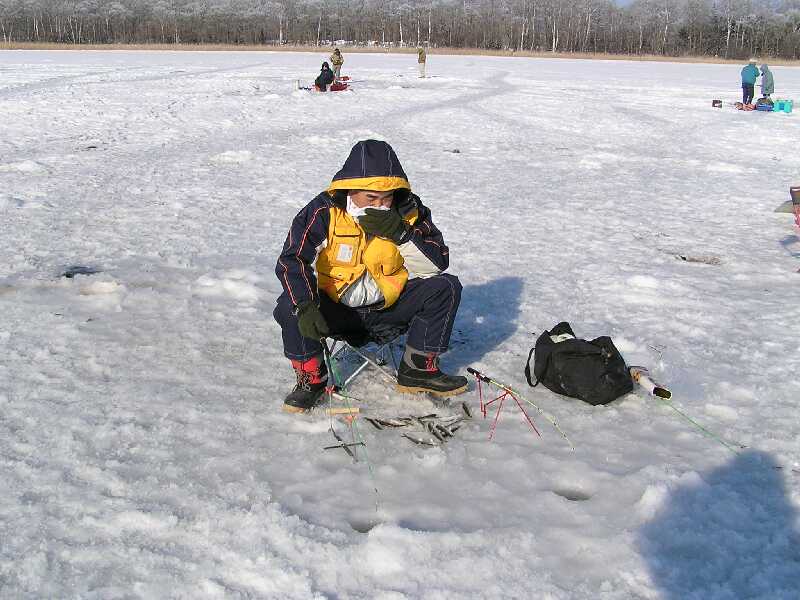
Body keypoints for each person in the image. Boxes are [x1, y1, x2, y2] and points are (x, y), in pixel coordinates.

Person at [274, 139, 467, 413]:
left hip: (388, 306)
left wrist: (402, 234)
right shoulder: (323, 211)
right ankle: (311, 378)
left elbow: (436, 264)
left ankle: (418, 369)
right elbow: (292, 259)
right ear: (350, 189)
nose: (379, 205)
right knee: (290, 303)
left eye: (385, 198)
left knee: (445, 286)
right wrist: (305, 305)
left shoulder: (408, 211)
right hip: (337, 309)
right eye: (370, 198)